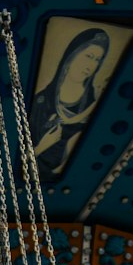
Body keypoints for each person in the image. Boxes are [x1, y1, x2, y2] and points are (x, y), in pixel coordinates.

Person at [29, 26, 111, 178]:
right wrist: (41, 147)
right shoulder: (42, 100)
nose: (90, 66)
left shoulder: (93, 104)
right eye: (88, 56)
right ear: (72, 54)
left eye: (97, 60)